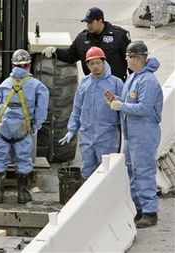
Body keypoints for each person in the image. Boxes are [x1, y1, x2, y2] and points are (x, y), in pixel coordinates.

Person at [106, 41, 163, 228]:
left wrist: (121, 106)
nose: (126, 61)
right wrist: (116, 100)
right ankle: (138, 208)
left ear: (137, 59)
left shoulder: (148, 81)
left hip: (144, 133)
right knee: (131, 170)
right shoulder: (133, 78)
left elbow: (144, 108)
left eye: (128, 58)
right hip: (132, 132)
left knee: (144, 171)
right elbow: (128, 100)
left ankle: (150, 211)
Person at [0, 49, 49, 204]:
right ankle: (22, 194)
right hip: (24, 126)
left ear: (13, 65)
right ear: (29, 65)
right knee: (23, 158)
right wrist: (35, 125)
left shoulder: (4, 84)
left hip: (4, 126)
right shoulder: (38, 86)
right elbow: (41, 110)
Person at [59, 46, 123, 180]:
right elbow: (77, 109)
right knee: (87, 171)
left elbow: (126, 108)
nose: (95, 67)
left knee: (106, 172)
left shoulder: (116, 83)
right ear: (87, 65)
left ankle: (107, 200)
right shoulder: (84, 84)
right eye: (92, 63)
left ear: (104, 62)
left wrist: (117, 101)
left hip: (107, 136)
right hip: (87, 136)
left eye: (98, 63)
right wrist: (72, 130)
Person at [42, 7, 131, 81]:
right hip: (92, 84)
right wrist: (55, 51)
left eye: (91, 22)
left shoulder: (120, 36)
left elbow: (130, 60)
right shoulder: (82, 38)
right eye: (87, 23)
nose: (88, 25)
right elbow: (70, 56)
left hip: (116, 85)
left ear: (100, 21)